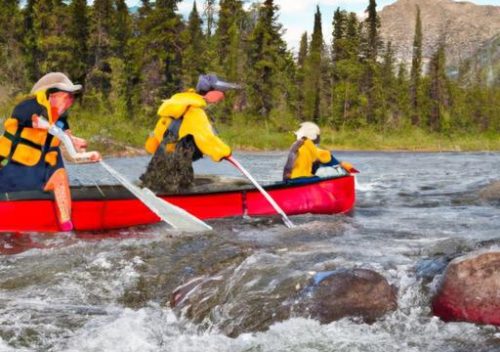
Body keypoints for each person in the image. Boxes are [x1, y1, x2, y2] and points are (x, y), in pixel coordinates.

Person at [0, 72, 101, 231]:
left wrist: (86, 156)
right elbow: (33, 120)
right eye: (67, 97)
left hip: (40, 177)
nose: (70, 102)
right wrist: (68, 137)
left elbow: (69, 154)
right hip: (10, 172)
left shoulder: (61, 121)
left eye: (72, 98)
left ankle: (66, 229)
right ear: (52, 95)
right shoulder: (27, 107)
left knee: (60, 174)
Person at [140, 74, 240, 193]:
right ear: (211, 93)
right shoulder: (195, 111)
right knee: (181, 188)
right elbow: (206, 139)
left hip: (158, 162)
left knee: (152, 187)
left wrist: (152, 146)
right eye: (222, 93)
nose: (223, 97)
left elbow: (156, 134)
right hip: (176, 165)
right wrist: (224, 152)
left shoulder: (178, 108)